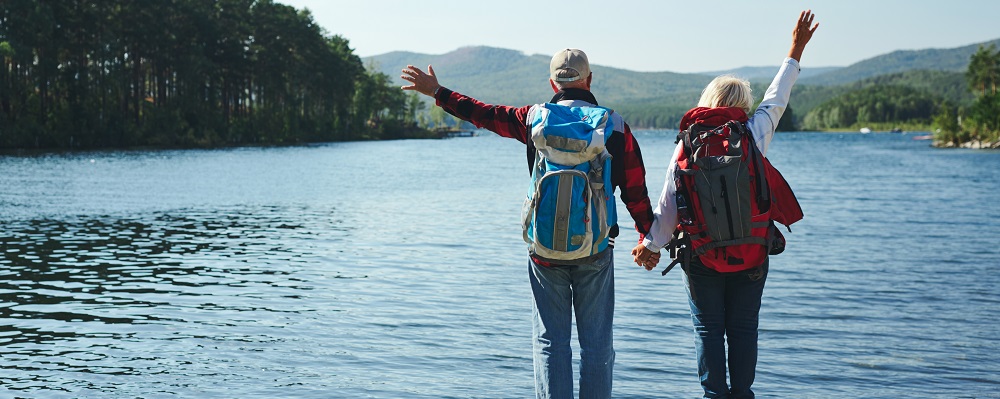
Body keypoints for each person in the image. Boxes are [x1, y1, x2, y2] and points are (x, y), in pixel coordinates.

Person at [401, 49, 655, 399]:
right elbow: (636, 192)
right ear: (590, 80)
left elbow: (484, 114)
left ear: (553, 83)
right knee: (597, 346)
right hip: (596, 249)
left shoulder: (533, 118)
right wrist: (649, 237)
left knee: (551, 342)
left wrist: (438, 92)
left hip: (544, 250)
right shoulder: (614, 126)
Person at [631, 10, 818, 399]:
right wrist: (796, 49)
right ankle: (743, 394)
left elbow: (669, 205)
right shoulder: (751, 133)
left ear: (707, 101)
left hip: (701, 256)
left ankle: (714, 395)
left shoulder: (687, 143)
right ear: (742, 105)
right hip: (751, 251)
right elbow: (777, 97)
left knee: (708, 329)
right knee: (745, 328)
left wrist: (650, 247)